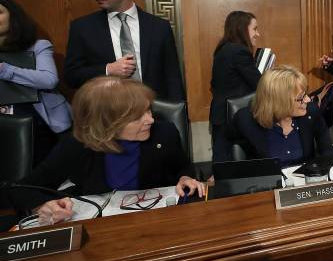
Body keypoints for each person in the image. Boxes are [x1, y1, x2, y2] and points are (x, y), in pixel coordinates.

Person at [9, 76, 203, 225]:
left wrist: (185, 178)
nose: (150, 120)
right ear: (107, 124)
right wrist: (43, 206)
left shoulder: (163, 133)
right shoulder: (77, 145)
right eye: (137, 117)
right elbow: (23, 190)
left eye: (148, 110)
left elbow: (182, 167)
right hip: (102, 227)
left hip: (156, 220)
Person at [64, 0, 185, 101]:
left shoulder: (159, 26)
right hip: (107, 114)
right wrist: (108, 70)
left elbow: (172, 77)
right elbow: (71, 76)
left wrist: (178, 117)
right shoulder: (82, 28)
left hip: (154, 113)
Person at [0, 0, 71, 164]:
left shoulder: (38, 46)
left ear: (13, 16)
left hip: (40, 121)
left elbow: (49, 80)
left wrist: (5, 70)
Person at [229, 65, 333, 166]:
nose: (307, 99)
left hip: (305, 181)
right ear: (280, 102)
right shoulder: (246, 119)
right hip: (269, 182)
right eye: (300, 98)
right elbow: (224, 140)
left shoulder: (311, 112)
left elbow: (327, 154)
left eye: (305, 94)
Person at [210, 11, 261, 162]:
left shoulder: (223, 49)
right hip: (234, 120)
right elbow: (260, 84)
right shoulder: (240, 52)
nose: (257, 34)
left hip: (220, 116)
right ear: (242, 29)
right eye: (255, 29)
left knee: (222, 164)